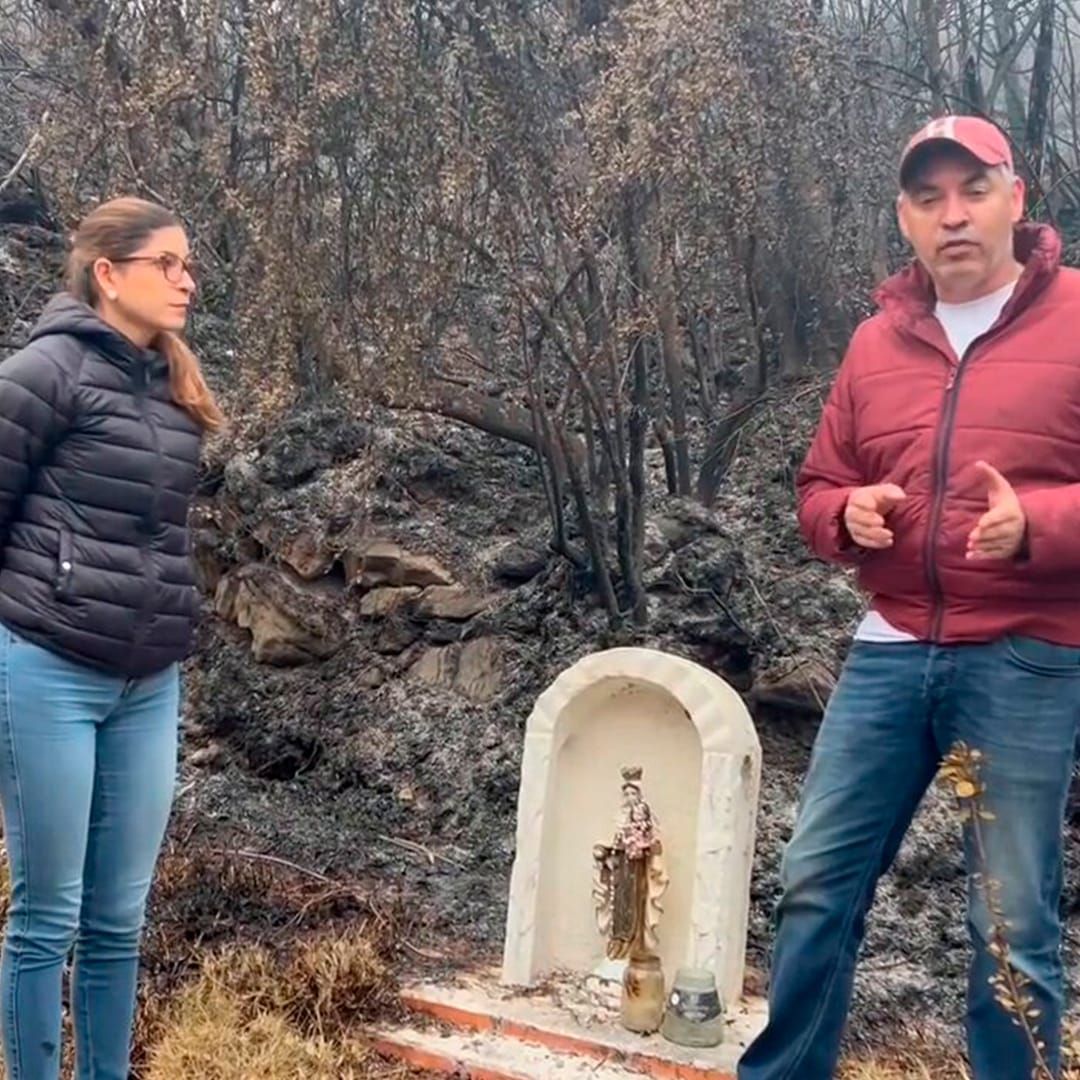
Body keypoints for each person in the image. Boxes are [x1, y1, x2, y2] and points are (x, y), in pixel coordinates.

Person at [738, 115, 1080, 1080]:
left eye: (973, 191)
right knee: (814, 883)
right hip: (889, 647)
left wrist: (1040, 525)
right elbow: (817, 488)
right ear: (904, 218)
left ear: (1016, 199)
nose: (953, 215)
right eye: (929, 199)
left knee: (1010, 922)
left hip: (1024, 653)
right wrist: (849, 515)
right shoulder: (874, 344)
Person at [0, 196, 223, 1079]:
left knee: (118, 918)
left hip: (149, 682)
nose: (186, 281)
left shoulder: (174, 386)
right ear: (107, 273)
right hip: (47, 668)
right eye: (166, 263)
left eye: (188, 264)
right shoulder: (42, 372)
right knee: (47, 915)